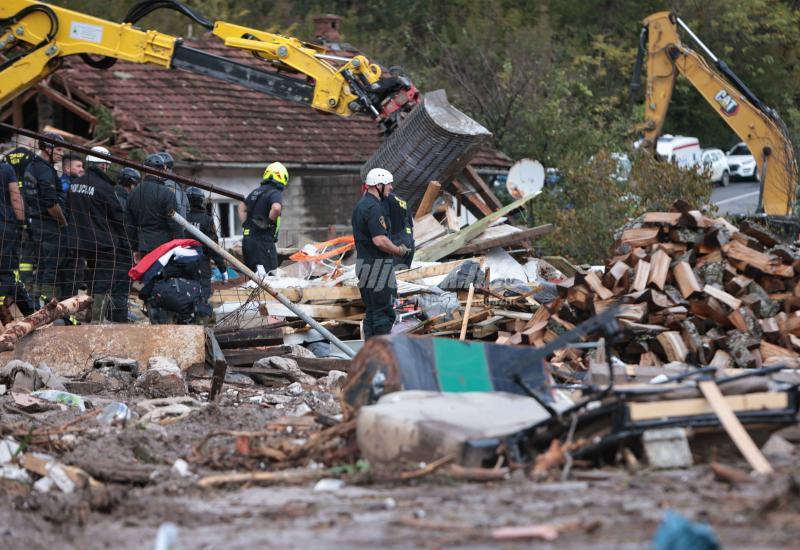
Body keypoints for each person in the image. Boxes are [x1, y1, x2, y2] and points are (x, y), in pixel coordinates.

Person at [66, 146, 126, 322]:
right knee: (103, 279)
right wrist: (125, 241)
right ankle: (96, 319)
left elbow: (68, 210)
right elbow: (117, 216)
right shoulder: (105, 187)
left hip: (78, 240)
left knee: (83, 277)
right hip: (102, 242)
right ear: (104, 166)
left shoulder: (74, 184)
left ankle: (74, 315)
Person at [351, 168, 408, 339]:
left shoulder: (361, 206)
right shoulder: (374, 208)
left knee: (372, 314)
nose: (391, 188)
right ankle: (381, 360)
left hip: (365, 266)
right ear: (379, 185)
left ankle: (371, 357)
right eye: (389, 184)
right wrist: (399, 250)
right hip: (378, 268)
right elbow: (380, 240)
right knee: (383, 315)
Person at [21, 133, 67, 305]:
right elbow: (50, 203)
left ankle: (36, 303)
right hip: (48, 224)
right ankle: (47, 303)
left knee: (41, 264)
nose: (62, 154)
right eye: (60, 149)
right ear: (48, 148)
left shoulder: (32, 165)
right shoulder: (45, 170)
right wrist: (63, 223)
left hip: (37, 222)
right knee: (50, 265)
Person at [125, 153, 182, 258]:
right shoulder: (167, 193)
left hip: (142, 245)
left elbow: (129, 225)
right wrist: (180, 246)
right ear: (163, 170)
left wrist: (134, 247)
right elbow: (174, 224)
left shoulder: (133, 193)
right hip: (164, 247)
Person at [0, 159, 34, 323]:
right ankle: (8, 312)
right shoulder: (6, 169)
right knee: (6, 270)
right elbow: (15, 196)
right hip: (4, 225)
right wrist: (23, 223)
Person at [238, 162, 287, 274]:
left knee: (253, 277)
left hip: (248, 241)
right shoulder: (275, 192)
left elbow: (241, 208)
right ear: (282, 177)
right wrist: (270, 221)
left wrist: (246, 225)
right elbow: (276, 208)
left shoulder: (255, 191)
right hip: (263, 242)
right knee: (270, 276)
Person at [110, 167, 141, 323]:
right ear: (130, 184)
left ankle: (111, 316)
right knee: (121, 288)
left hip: (109, 247)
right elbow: (126, 228)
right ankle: (120, 320)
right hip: (122, 249)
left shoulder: (111, 194)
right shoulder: (124, 201)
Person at [186, 186, 227, 300]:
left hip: (182, 262)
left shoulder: (181, 218)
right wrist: (222, 268)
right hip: (201, 263)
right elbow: (213, 248)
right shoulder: (207, 220)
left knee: (185, 293)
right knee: (203, 296)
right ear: (200, 201)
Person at [384, 191, 415, 269]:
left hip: (398, 243)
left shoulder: (384, 199)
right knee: (405, 275)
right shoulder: (401, 200)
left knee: (394, 276)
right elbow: (411, 225)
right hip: (409, 241)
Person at [159, 151, 188, 218]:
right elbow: (187, 208)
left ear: (165, 167)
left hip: (171, 225)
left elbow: (174, 210)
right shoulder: (175, 182)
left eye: (157, 167)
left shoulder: (169, 184)